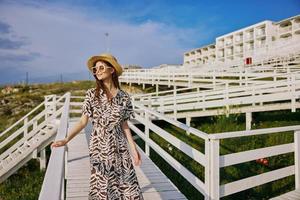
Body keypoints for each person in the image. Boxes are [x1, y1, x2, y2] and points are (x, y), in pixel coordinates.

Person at [51, 53, 144, 200]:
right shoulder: (91, 95)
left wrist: (133, 148)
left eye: (101, 67)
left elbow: (124, 124)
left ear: (112, 70)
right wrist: (66, 139)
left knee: (128, 187)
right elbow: (83, 122)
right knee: (103, 187)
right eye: (95, 69)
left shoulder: (124, 97)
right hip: (100, 147)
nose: (97, 71)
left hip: (120, 147)